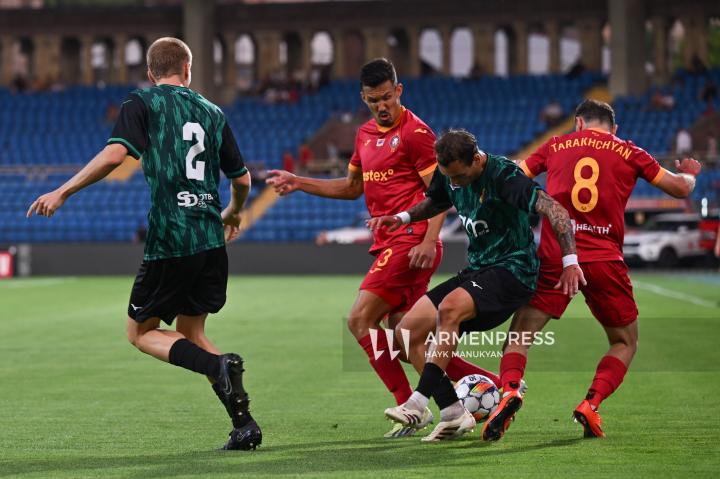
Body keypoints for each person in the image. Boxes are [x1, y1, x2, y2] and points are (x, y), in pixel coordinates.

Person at [26, 37, 261, 450]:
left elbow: (116, 155)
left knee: (140, 333)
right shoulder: (213, 112)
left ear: (151, 73)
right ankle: (244, 424)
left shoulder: (143, 102)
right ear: (187, 69)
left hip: (172, 237)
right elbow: (241, 179)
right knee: (191, 332)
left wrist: (62, 191)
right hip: (210, 239)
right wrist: (234, 212)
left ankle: (218, 366)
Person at [267, 59, 500, 438]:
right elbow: (352, 188)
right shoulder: (363, 135)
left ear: (399, 91)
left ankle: (411, 404)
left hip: (411, 240)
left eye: (387, 97)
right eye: (374, 100)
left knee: (360, 319)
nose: (382, 106)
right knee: (408, 340)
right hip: (389, 242)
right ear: (364, 98)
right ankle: (493, 390)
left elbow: (442, 192)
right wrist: (299, 181)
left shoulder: (416, 133)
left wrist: (429, 239)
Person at [496, 99, 702, 439]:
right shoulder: (630, 151)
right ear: (613, 128)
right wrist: (691, 174)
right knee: (625, 341)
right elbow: (679, 188)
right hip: (605, 260)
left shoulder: (555, 145)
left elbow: (516, 176)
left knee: (519, 336)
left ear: (578, 123)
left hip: (557, 257)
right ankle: (591, 403)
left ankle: (510, 390)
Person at [370, 129, 584, 442]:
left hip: (513, 270)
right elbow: (436, 202)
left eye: (459, 176)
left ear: (476, 160)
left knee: (449, 308)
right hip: (478, 269)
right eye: (449, 177)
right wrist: (403, 218)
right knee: (406, 331)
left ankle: (417, 402)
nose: (455, 183)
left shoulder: (504, 176)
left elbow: (556, 210)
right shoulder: (449, 173)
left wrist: (570, 261)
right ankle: (453, 413)